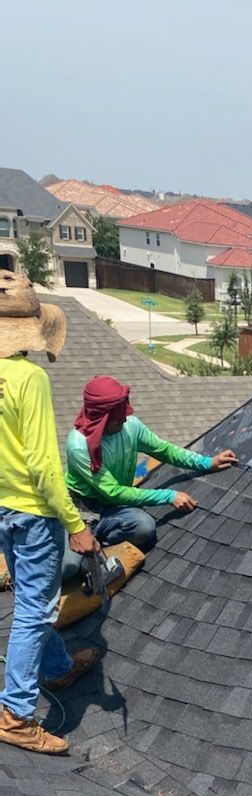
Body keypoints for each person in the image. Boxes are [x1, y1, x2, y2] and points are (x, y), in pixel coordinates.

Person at [0, 271, 101, 755]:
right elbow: (43, 464)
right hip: (34, 514)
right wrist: (76, 525)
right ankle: (17, 715)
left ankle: (56, 669)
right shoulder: (29, 379)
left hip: (2, 509)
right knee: (33, 612)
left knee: (31, 601)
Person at [62, 376, 237, 581]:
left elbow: (164, 450)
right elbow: (113, 491)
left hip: (114, 508)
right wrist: (168, 496)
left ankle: (95, 545)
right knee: (68, 568)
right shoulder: (79, 445)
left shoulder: (130, 427)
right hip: (81, 508)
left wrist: (207, 463)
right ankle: (84, 551)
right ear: (102, 418)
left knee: (144, 527)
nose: (125, 418)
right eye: (119, 416)